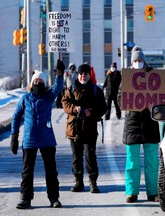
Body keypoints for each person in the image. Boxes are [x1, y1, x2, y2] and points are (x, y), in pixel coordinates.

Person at [10, 60, 65, 209]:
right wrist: (14, 136)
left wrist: (59, 74)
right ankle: (25, 199)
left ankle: (54, 198)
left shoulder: (48, 97)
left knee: (51, 171)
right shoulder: (25, 99)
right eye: (36, 80)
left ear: (44, 82)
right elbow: (16, 117)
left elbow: (58, 87)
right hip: (29, 140)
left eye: (41, 80)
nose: (38, 82)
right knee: (27, 171)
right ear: (31, 82)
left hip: (47, 139)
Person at [122, 46, 160, 203]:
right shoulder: (126, 78)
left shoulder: (154, 77)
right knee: (132, 162)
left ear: (144, 61)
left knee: (152, 161)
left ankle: (153, 193)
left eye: (140, 60)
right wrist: (132, 104)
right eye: (135, 61)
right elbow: (120, 98)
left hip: (150, 124)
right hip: (132, 125)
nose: (138, 63)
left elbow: (161, 97)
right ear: (132, 63)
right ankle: (131, 192)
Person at [61, 64, 107, 194]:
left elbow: (103, 107)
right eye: (81, 74)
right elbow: (65, 103)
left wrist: (90, 112)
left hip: (90, 129)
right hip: (74, 129)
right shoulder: (72, 88)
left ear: (89, 75)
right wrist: (75, 109)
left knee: (90, 156)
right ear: (78, 75)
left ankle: (93, 182)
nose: (83, 76)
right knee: (76, 157)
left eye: (85, 74)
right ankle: (78, 182)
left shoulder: (95, 90)